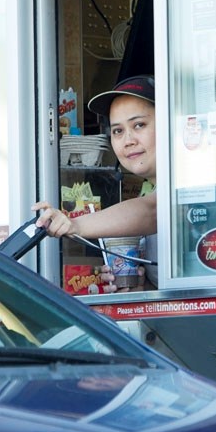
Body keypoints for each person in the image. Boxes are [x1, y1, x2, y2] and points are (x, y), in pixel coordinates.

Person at [33, 75, 158, 291]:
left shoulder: (185, 180)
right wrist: (141, 286)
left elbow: (153, 211)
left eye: (139, 125)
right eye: (118, 130)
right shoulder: (148, 187)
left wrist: (75, 224)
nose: (128, 140)